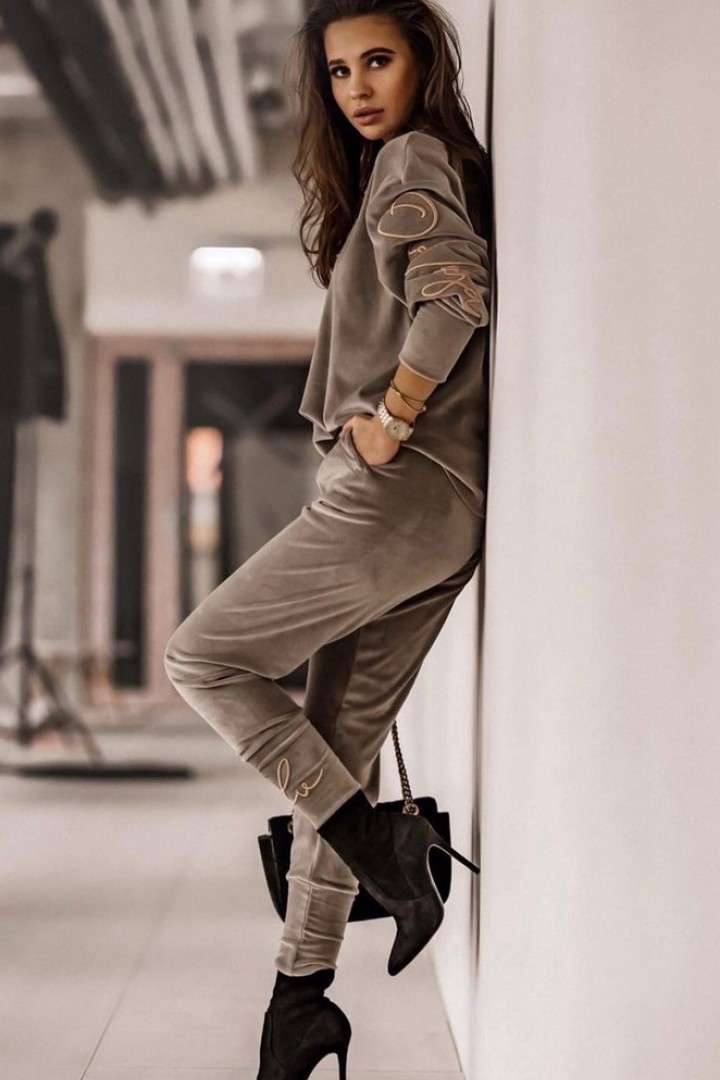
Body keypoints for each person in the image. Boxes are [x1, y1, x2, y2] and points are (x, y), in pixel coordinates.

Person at [164, 0, 493, 1075]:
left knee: (202, 657)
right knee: (335, 747)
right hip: (438, 517)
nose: (358, 88)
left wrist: (392, 417)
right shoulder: (416, 165)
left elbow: (456, 295)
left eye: (379, 60)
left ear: (425, 61)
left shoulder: (412, 158)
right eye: (341, 71)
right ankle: (300, 1003)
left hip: (394, 494)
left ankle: (380, 847)